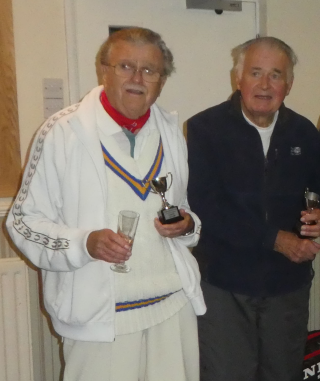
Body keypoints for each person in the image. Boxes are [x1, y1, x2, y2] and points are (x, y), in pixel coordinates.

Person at [6, 27, 204, 381]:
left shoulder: (171, 131)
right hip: (100, 318)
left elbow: (185, 209)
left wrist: (187, 226)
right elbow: (21, 222)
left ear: (162, 80)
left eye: (150, 70)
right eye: (126, 66)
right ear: (104, 70)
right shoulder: (63, 132)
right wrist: (85, 243)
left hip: (172, 307)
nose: (137, 78)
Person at [186, 37, 320, 381]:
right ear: (239, 79)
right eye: (256, 72)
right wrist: (274, 239)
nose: (265, 84)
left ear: (289, 84)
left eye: (276, 75)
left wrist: (319, 213)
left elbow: (314, 190)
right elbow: (205, 205)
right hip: (224, 285)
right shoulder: (205, 129)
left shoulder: (304, 132)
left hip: (287, 286)